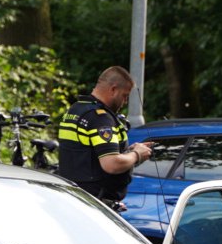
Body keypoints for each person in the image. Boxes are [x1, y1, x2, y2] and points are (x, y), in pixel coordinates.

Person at [56, 66, 153, 208]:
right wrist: (136, 154)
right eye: (124, 96)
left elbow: (86, 154)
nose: (125, 101)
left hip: (75, 198)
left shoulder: (76, 109)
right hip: (94, 203)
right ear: (113, 89)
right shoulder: (100, 118)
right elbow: (111, 164)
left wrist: (126, 152)